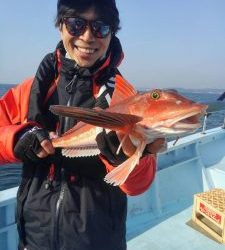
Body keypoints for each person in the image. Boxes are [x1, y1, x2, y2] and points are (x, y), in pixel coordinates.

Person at [0, 0, 166, 249]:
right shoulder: (30, 90)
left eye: (101, 27)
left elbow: (139, 185)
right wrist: (16, 139)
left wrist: (128, 158)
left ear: (112, 33)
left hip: (98, 241)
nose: (88, 37)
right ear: (60, 26)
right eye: (76, 24)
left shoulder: (125, 99)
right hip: (33, 239)